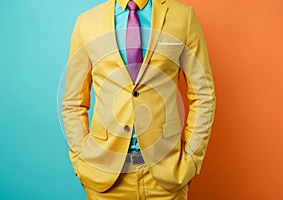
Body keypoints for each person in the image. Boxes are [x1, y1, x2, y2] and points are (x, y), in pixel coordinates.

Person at [62, 0, 216, 199]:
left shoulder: (183, 17)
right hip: (105, 178)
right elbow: (73, 102)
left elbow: (203, 95)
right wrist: (80, 159)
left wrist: (191, 159)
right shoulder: (87, 22)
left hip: (166, 176)